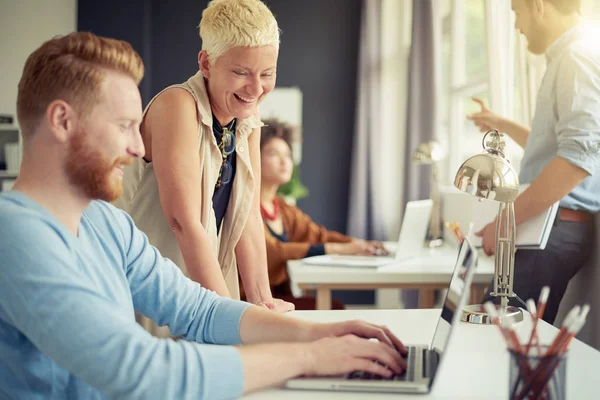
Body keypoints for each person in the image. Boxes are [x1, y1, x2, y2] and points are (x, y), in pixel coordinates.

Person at [0, 31, 409, 400]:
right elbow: (141, 371)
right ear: (62, 121)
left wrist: (323, 331)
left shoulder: (106, 224)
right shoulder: (15, 235)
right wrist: (309, 356)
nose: (139, 148)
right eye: (125, 125)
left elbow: (199, 310)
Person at [114, 0, 294, 338]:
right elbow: (184, 222)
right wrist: (229, 320)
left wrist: (262, 305)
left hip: (205, 295)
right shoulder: (176, 105)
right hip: (149, 297)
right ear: (206, 63)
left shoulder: (247, 122)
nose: (255, 89)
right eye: (241, 72)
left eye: (266, 74)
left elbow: (249, 216)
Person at [467, 0, 600, 324]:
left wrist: (505, 225)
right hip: (550, 227)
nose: (516, 26)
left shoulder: (576, 55)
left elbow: (578, 158)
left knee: (497, 343)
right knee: (503, 339)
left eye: (517, 13)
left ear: (538, 6)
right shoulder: (568, 56)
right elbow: (557, 150)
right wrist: (502, 123)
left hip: (552, 229)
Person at [256, 119, 388, 309]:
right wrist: (340, 249)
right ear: (254, 157)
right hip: (256, 302)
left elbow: (319, 235)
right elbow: (275, 251)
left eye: (287, 154)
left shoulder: (283, 208)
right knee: (334, 309)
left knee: (334, 308)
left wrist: (357, 244)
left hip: (279, 298)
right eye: (273, 154)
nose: (285, 161)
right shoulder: (248, 209)